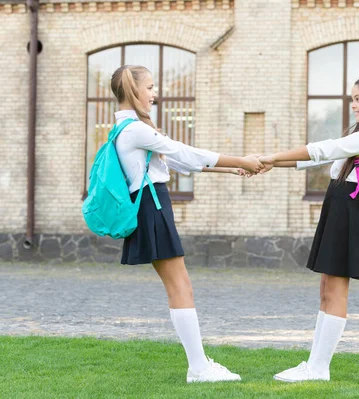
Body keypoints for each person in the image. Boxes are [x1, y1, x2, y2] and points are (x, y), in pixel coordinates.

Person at [111, 64, 262, 383]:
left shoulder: (130, 128)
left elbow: (175, 161)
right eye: (150, 87)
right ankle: (198, 368)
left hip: (152, 204)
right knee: (180, 286)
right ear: (134, 90)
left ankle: (199, 363)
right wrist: (239, 159)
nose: (155, 93)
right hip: (152, 205)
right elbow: (185, 152)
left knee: (180, 286)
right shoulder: (135, 129)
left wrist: (230, 170)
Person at [257, 75, 359, 382]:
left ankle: (319, 369)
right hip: (337, 204)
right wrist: (271, 163)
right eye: (352, 99)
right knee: (326, 289)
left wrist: (274, 156)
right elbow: (320, 158)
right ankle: (313, 365)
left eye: (358, 99)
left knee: (336, 290)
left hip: (347, 209)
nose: (354, 105)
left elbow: (325, 148)